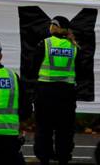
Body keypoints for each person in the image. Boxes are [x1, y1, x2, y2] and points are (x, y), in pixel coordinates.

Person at [32, 16, 80, 165]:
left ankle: (44, 158)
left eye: (54, 24)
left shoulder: (44, 44)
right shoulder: (74, 46)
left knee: (44, 127)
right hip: (66, 92)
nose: (51, 26)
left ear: (61, 28)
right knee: (64, 129)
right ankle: (63, 158)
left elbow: (33, 67)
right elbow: (81, 70)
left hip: (46, 91)